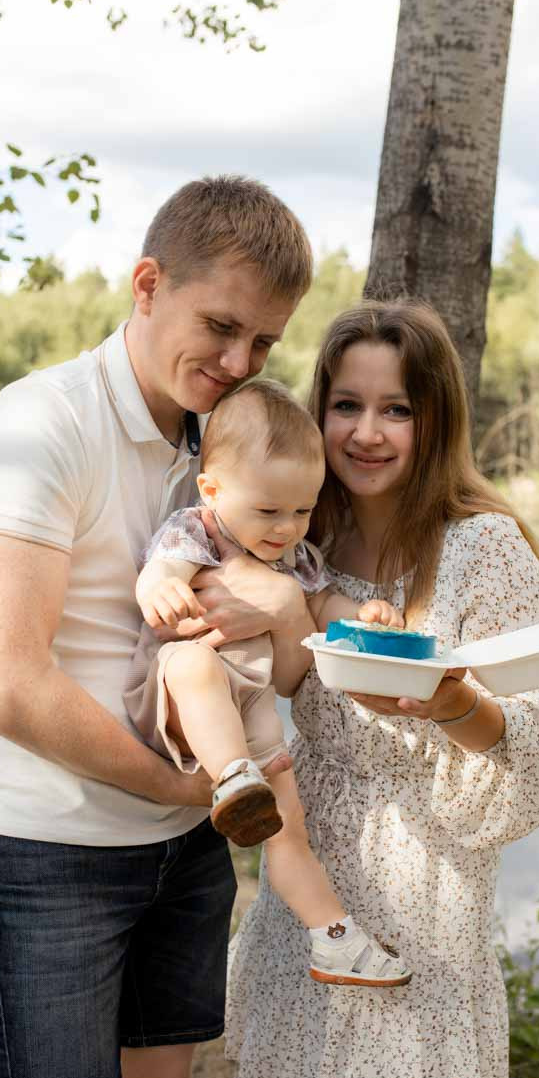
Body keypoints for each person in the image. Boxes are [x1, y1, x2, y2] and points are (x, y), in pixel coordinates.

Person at [0, 175, 316, 1078]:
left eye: (264, 343)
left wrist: (285, 609)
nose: (238, 363)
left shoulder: (224, 439)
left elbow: (288, 614)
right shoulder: (40, 423)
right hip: (50, 846)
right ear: (148, 284)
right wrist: (187, 787)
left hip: (187, 850)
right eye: (222, 327)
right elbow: (4, 682)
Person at [225, 299, 539, 1078]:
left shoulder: (484, 548)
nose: (367, 433)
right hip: (315, 887)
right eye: (347, 405)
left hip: (426, 902)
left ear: (436, 419)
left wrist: (450, 702)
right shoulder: (302, 531)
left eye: (398, 409)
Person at [124, 377, 411, 988]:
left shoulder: (294, 557)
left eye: (302, 511)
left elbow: (323, 603)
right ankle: (232, 777)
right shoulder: (196, 531)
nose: (287, 528)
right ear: (213, 490)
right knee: (196, 664)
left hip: (249, 707)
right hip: (178, 691)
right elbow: (159, 571)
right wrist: (163, 587)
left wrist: (363, 617)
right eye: (269, 511)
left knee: (287, 828)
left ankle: (333, 937)